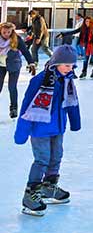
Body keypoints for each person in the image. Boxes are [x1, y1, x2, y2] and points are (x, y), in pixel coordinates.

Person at [14, 45, 81, 216]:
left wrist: (75, 122)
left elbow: (73, 103)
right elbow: (27, 106)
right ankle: (30, 195)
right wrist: (21, 133)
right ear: (56, 63)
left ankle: (48, 187)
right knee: (42, 159)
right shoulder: (40, 80)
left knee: (56, 156)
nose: (70, 68)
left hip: (58, 126)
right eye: (66, 65)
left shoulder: (67, 80)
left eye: (72, 65)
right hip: (39, 128)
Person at [0, 22, 36, 118]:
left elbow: (25, 51)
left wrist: (31, 63)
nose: (6, 34)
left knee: (12, 87)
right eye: (4, 32)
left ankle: (14, 109)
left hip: (14, 65)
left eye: (8, 32)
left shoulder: (16, 39)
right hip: (0, 66)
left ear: (12, 31)